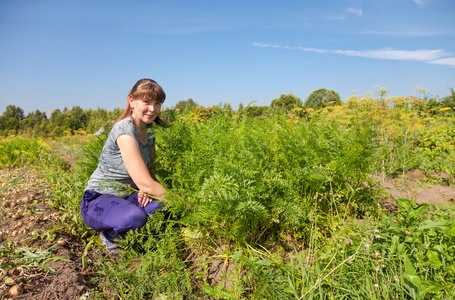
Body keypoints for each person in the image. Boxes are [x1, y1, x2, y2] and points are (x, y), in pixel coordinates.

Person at [80, 78, 168, 255]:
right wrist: (186, 203)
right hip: (98, 199)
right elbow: (145, 183)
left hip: (129, 196)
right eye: (146, 101)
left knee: (161, 207)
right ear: (132, 101)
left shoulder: (150, 132)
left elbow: (148, 174)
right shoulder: (125, 130)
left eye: (157, 103)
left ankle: (135, 237)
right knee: (135, 217)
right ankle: (110, 237)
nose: (153, 108)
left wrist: (146, 190)